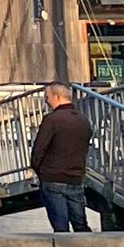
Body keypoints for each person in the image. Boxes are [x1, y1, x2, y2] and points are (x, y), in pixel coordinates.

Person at [33, 83, 93, 233]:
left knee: (60, 226)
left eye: (47, 97)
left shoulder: (51, 120)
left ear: (57, 97)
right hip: (76, 176)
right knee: (80, 223)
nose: (46, 101)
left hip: (53, 177)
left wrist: (39, 170)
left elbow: (39, 149)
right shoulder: (83, 121)